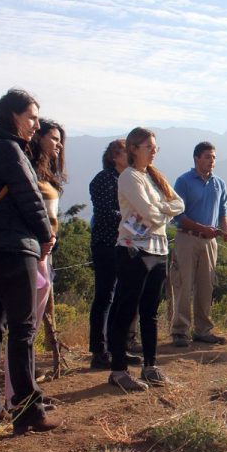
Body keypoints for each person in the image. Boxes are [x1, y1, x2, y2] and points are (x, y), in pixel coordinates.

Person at [0, 88, 59, 435]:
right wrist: (47, 235)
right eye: (32, 117)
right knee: (23, 328)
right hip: (13, 247)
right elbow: (29, 197)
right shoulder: (10, 149)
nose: (36, 124)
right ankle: (28, 410)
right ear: (12, 116)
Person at [106, 127, 184, 391]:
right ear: (133, 149)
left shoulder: (153, 176)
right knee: (126, 310)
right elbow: (151, 214)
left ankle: (150, 366)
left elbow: (179, 204)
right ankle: (118, 371)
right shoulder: (129, 177)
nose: (154, 151)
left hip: (159, 248)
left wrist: (161, 210)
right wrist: (164, 211)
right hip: (133, 250)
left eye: (155, 147)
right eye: (149, 147)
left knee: (150, 311)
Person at [3, 119, 66, 406]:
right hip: (31, 253)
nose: (58, 144)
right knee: (22, 327)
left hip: (43, 253)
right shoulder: (26, 167)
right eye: (53, 138)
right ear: (38, 138)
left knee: (31, 327)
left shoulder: (45, 171)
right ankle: (14, 396)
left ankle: (26, 394)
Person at [169, 142, 227, 348]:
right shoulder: (184, 181)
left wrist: (226, 230)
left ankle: (203, 330)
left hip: (210, 241)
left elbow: (223, 212)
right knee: (183, 284)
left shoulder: (219, 183)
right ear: (196, 158)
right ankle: (179, 331)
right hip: (186, 238)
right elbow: (178, 215)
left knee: (206, 285)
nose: (211, 161)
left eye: (213, 157)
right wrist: (202, 228)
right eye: (207, 157)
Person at [88, 139, 141, 369]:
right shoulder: (103, 179)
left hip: (126, 244)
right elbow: (105, 214)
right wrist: (137, 218)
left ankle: (117, 348)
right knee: (105, 297)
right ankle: (99, 351)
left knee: (121, 297)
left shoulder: (131, 179)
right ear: (113, 156)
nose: (130, 155)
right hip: (107, 245)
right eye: (124, 151)